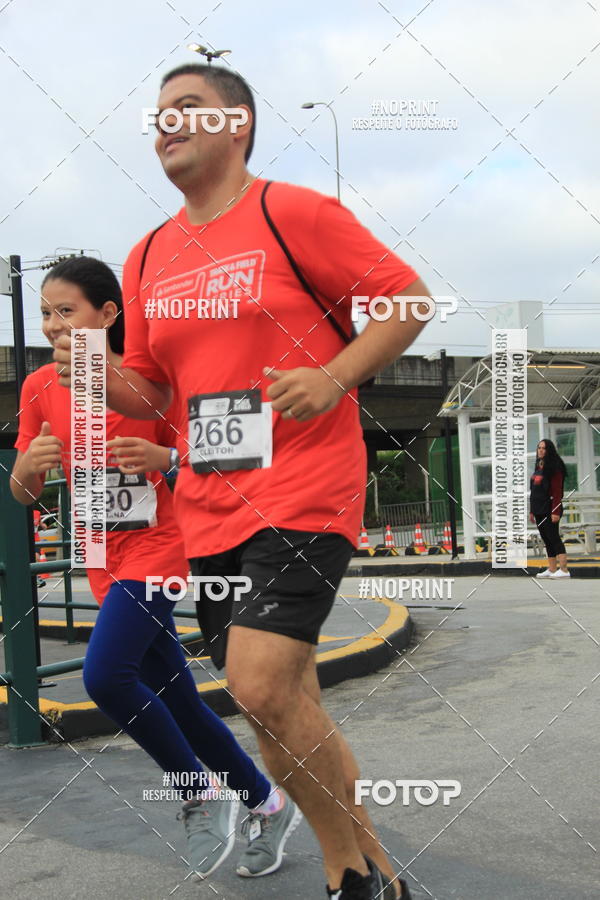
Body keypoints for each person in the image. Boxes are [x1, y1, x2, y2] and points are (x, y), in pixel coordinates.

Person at [54, 64, 430, 899]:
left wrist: (333, 377)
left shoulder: (292, 212)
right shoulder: (149, 252)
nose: (168, 122)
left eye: (189, 108)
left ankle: (349, 879)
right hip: (212, 509)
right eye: (159, 113)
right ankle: (370, 872)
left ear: (240, 124)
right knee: (274, 703)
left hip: (304, 489)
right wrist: (89, 366)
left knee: (257, 682)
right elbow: (154, 389)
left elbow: (408, 300)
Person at [11, 255, 301, 881]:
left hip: (161, 547)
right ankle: (267, 802)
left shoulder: (149, 381)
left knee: (106, 677)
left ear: (107, 314)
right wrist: (31, 465)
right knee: (181, 700)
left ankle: (197, 792)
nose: (55, 326)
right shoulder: (38, 389)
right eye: (45, 314)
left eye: (68, 311)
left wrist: (164, 454)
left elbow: (225, 458)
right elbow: (21, 494)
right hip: (97, 554)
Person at [530, 438, 570, 578]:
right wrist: (532, 510)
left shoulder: (555, 467)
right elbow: (534, 490)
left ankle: (564, 570)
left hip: (550, 508)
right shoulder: (539, 465)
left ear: (549, 450)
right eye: (539, 447)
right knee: (546, 538)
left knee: (553, 537)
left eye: (544, 448)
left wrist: (555, 511)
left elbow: (557, 491)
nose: (540, 450)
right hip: (539, 509)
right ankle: (552, 568)